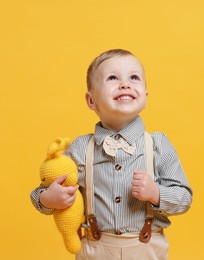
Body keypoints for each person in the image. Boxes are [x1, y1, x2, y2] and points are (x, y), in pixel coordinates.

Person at [30, 49, 193, 259]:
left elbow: (184, 198)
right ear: (91, 101)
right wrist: (48, 198)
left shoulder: (158, 144)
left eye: (134, 77)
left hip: (146, 249)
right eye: (112, 78)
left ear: (145, 95)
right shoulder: (80, 148)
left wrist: (156, 194)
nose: (125, 84)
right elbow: (37, 195)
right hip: (96, 249)